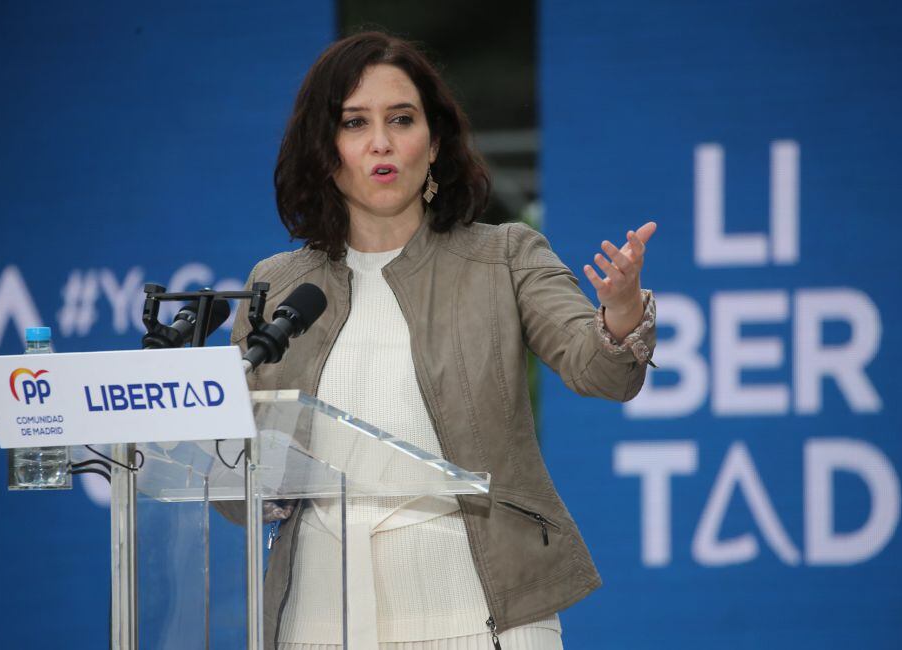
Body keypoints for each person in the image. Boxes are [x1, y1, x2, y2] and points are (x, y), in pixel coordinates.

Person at [231, 31, 656, 650]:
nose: (381, 141)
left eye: (401, 119)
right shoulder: (275, 284)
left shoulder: (505, 256)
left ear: (433, 144)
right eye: (355, 123)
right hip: (317, 617)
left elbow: (603, 370)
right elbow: (231, 471)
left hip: (475, 611)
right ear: (326, 152)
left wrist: (620, 310)